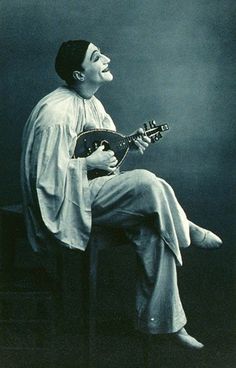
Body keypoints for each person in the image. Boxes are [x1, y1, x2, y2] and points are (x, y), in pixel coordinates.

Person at [21, 39, 222, 350]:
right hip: (65, 201)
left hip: (90, 192)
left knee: (153, 226)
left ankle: (165, 324)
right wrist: (87, 163)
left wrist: (128, 145)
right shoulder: (55, 113)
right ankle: (186, 228)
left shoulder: (93, 104)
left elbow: (107, 161)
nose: (107, 59)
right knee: (146, 182)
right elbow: (43, 179)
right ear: (78, 74)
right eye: (97, 57)